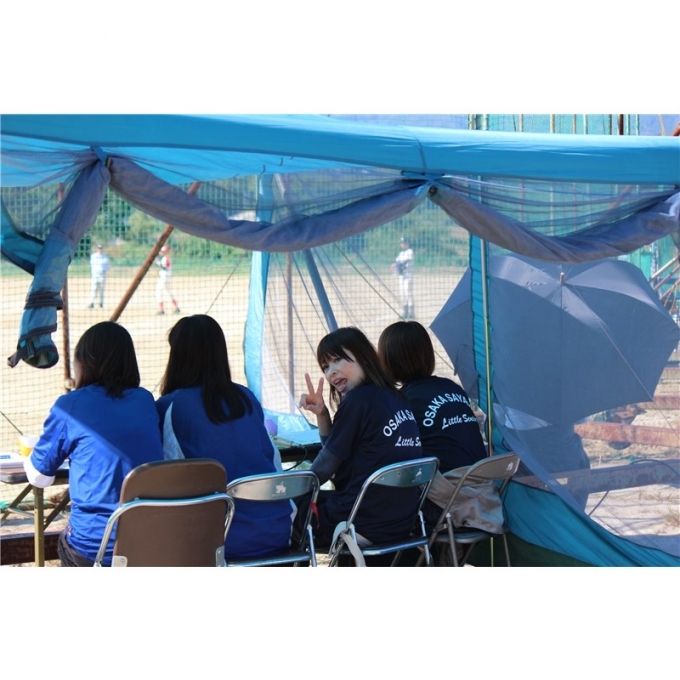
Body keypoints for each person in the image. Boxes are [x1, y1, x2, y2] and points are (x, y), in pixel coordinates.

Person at [23, 322, 164, 567]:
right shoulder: (145, 400)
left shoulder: (71, 405)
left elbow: (39, 477)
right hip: (149, 543)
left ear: (83, 362)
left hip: (94, 547)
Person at [155, 314, 293, 560]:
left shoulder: (170, 406)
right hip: (278, 533)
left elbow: (167, 482)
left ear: (177, 356)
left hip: (218, 544)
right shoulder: (245, 397)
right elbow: (274, 463)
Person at [298, 326, 424, 549]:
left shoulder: (358, 401)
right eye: (326, 366)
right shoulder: (397, 397)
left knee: (287, 510)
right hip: (401, 523)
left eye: (337, 360)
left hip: (358, 522)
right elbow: (336, 453)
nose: (331, 372)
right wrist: (323, 414)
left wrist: (290, 488)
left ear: (364, 357)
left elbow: (326, 466)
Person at [378, 321, 486, 474]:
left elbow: (391, 455)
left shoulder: (402, 401)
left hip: (446, 484)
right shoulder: (452, 387)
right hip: (483, 480)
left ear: (388, 360)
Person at [392, 236, 414, 319]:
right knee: (402, 294)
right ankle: (405, 312)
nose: (402, 244)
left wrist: (398, 265)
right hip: (401, 277)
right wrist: (395, 265)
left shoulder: (410, 251)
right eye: (401, 243)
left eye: (404, 242)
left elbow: (404, 262)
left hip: (408, 276)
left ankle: (411, 313)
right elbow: (397, 262)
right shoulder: (401, 253)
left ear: (407, 243)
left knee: (408, 293)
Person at [155, 243, 180, 315]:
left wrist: (157, 262)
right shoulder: (166, 258)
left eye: (164, 251)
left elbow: (164, 267)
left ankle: (161, 310)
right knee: (169, 292)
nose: (162, 252)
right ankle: (176, 307)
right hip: (167, 277)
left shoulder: (166, 258)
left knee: (159, 292)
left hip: (164, 277)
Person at [88, 243, 110, 308]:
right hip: (95, 274)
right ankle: (92, 303)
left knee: (101, 290)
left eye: (100, 248)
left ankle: (101, 303)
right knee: (93, 289)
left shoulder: (105, 256)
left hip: (102, 274)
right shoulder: (94, 256)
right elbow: (92, 265)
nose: (99, 249)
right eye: (98, 248)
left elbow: (107, 266)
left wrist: (105, 271)